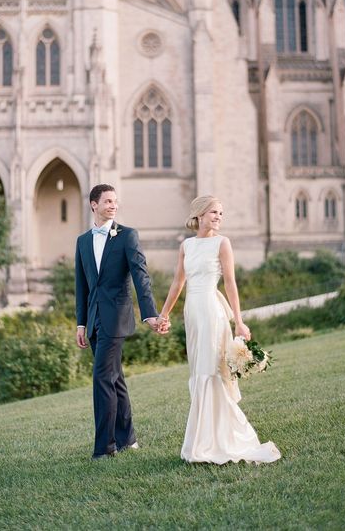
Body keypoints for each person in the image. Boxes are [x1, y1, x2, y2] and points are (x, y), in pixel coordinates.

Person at [158, 195, 281, 464]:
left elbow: (230, 284)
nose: (218, 217)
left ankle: (218, 441)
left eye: (221, 213)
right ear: (199, 214)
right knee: (198, 371)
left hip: (213, 313)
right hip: (192, 313)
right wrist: (164, 314)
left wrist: (239, 320)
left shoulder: (222, 243)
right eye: (214, 212)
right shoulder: (186, 246)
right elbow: (178, 283)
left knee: (211, 371)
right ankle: (203, 440)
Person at [75, 184, 164, 459]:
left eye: (115, 201)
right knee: (115, 380)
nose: (113, 205)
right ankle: (128, 439)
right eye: (108, 201)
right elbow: (82, 286)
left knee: (102, 378)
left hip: (116, 318)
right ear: (93, 204)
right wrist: (81, 323)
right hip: (93, 320)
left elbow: (141, 275)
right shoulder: (82, 241)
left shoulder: (127, 236)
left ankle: (105, 448)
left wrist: (149, 313)